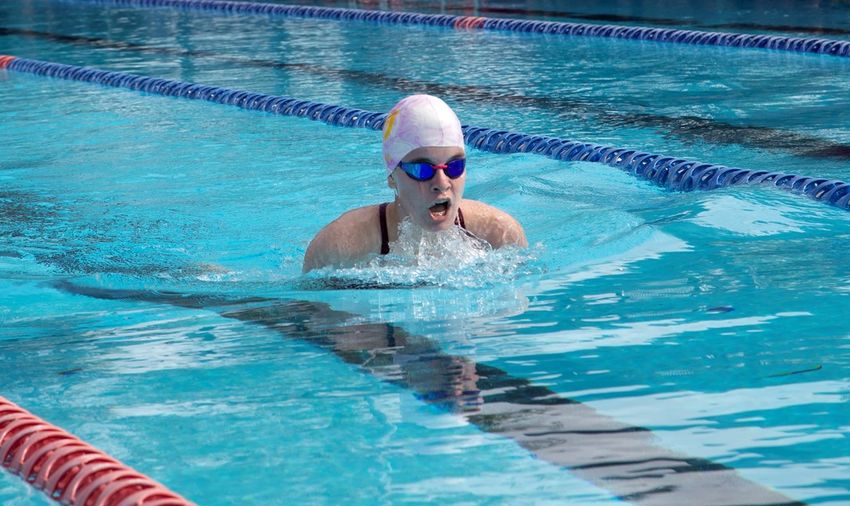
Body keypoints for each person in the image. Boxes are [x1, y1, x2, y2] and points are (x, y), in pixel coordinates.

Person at [302, 94, 527, 272]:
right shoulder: (340, 247)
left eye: (454, 166)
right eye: (422, 169)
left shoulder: (499, 234)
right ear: (392, 177)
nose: (442, 183)